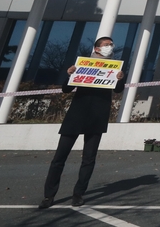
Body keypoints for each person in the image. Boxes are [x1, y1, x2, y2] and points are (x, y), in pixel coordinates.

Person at [40, 36, 126, 209]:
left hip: (98, 116)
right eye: (106, 45)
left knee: (89, 159)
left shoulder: (115, 67)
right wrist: (70, 74)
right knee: (59, 157)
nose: (110, 47)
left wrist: (120, 78)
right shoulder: (83, 64)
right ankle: (49, 195)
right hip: (76, 115)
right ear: (96, 49)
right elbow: (66, 89)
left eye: (111, 44)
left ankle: (78, 194)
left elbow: (118, 89)